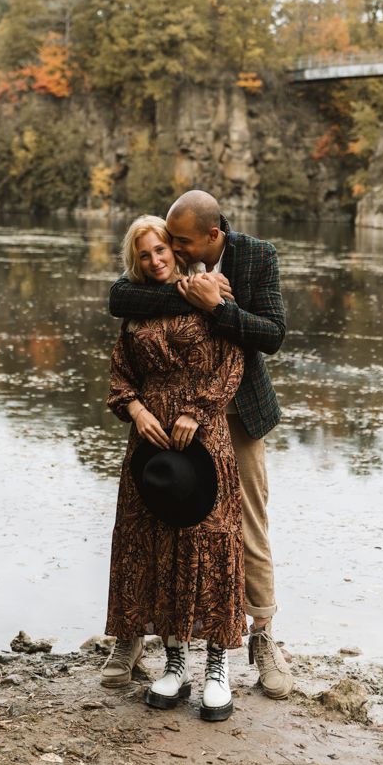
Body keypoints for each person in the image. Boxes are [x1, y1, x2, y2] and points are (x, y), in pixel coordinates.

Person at [108, 191, 293, 700]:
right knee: (156, 517)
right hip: (170, 420)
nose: (172, 250)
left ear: (212, 236)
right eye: (167, 243)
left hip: (237, 413)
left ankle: (261, 637)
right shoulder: (175, 263)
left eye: (181, 243)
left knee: (245, 523)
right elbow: (119, 299)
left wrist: (218, 306)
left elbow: (273, 335)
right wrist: (187, 292)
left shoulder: (257, 257)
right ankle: (134, 634)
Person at [102, 214, 246, 721]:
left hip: (202, 436)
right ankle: (175, 662)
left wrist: (197, 410)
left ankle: (216, 669)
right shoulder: (136, 307)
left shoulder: (206, 294)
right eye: (145, 254)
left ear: (176, 250)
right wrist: (137, 410)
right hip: (150, 444)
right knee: (160, 544)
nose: (156, 259)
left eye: (162, 249)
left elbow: (233, 363)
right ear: (135, 261)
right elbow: (120, 372)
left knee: (208, 542)